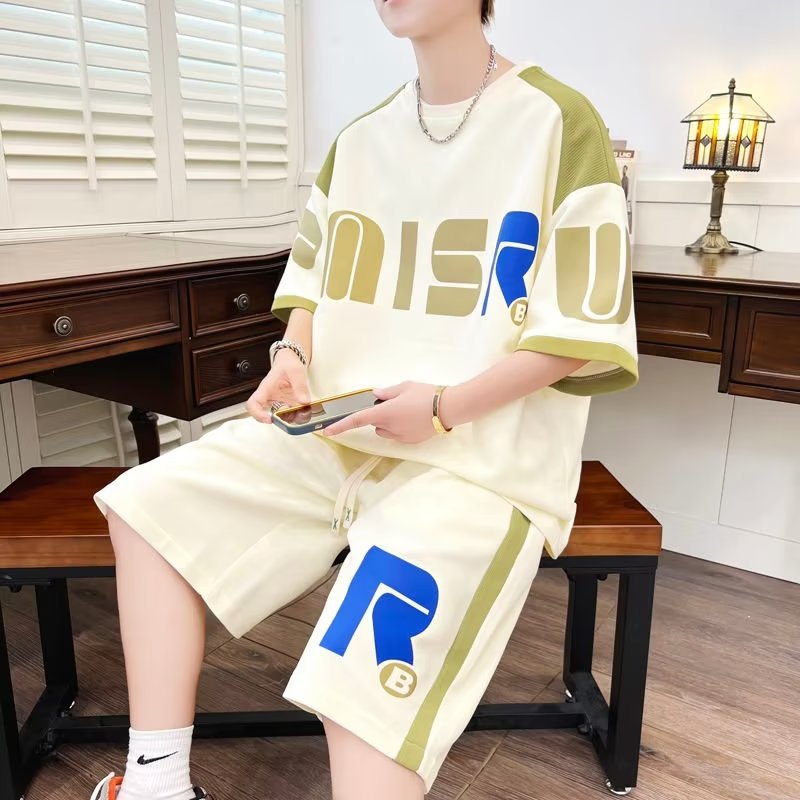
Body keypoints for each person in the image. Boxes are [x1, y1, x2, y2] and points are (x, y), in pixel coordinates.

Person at [88, 1, 638, 798]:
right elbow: (312, 282)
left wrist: (445, 407)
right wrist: (290, 356)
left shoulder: (559, 122)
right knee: (145, 508)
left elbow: (580, 331)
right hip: (336, 431)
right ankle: (155, 784)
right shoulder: (361, 139)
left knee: (363, 670)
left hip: (479, 461)